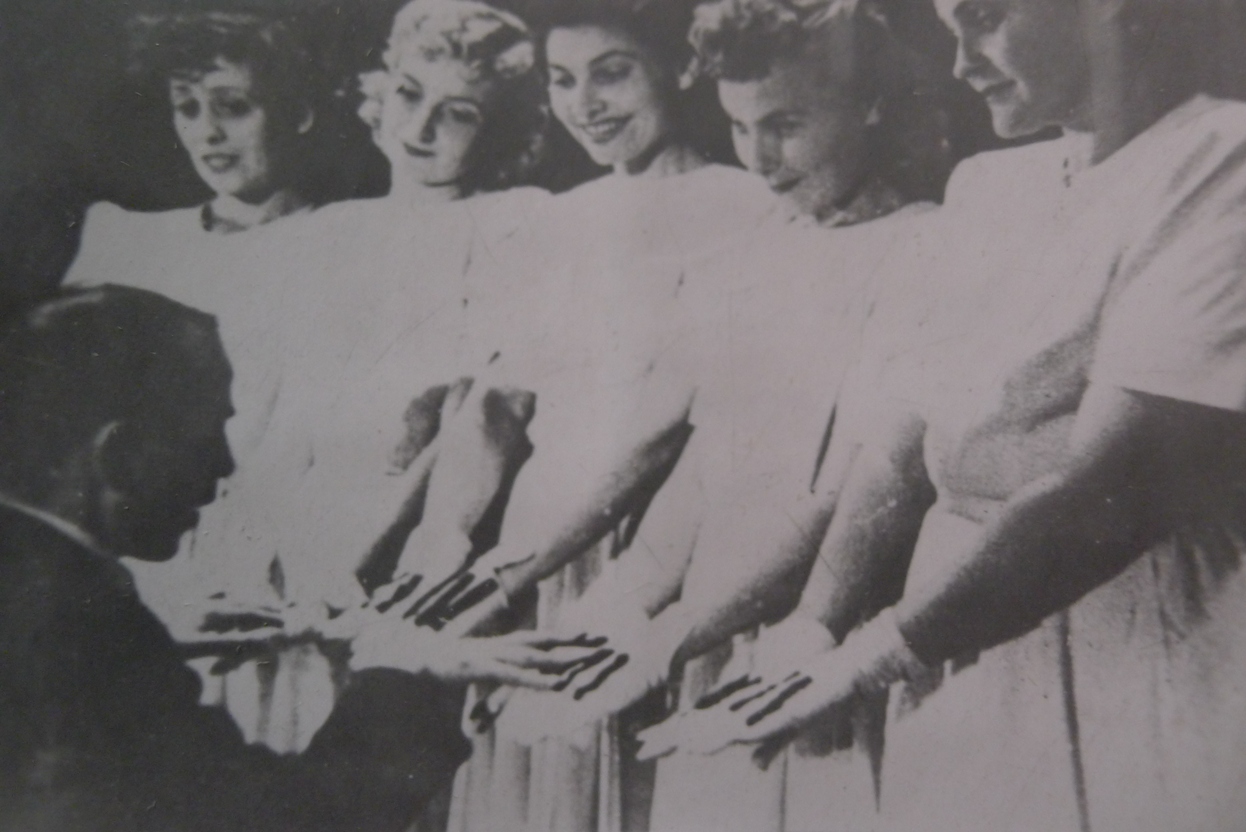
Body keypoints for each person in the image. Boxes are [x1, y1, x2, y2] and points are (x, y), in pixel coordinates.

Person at [646, 2, 1246, 830]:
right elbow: (902, 444)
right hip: (957, 646)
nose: (963, 63)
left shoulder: (1221, 162)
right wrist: (812, 627)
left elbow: (1109, 491)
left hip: (1134, 639)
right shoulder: (987, 186)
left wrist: (875, 655)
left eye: (986, 16)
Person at [490, 3, 944, 830]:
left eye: (786, 126)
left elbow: (844, 493)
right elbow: (701, 471)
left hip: (820, 634)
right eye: (739, 127)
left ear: (872, 103)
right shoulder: (749, 253)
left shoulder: (925, 248)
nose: (759, 159)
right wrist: (615, 611)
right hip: (718, 636)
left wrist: (675, 636)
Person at [0, 285, 474, 832]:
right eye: (205, 438)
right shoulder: (84, 633)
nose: (225, 467)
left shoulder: (49, 604)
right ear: (122, 455)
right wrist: (410, 679)